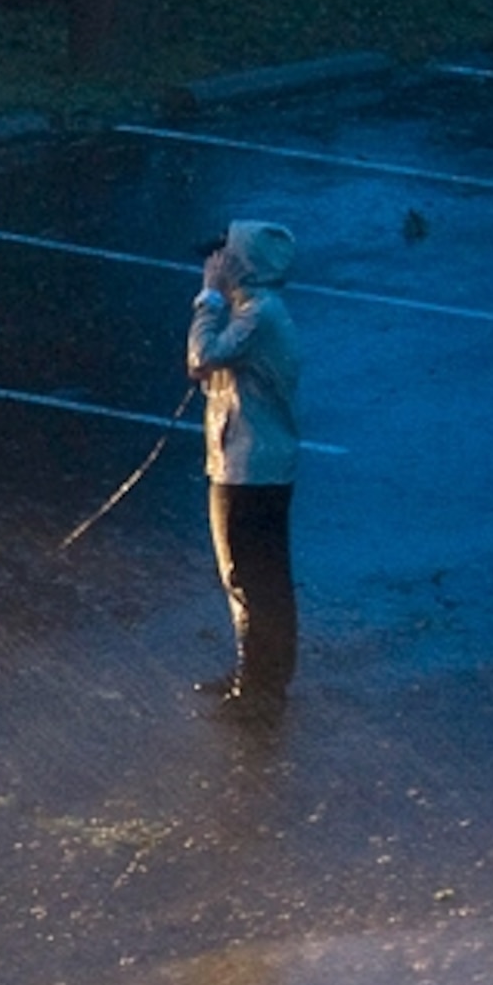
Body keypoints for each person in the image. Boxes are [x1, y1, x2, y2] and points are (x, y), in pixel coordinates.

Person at [187, 219, 302, 722]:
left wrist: (208, 298)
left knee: (252, 577)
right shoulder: (256, 312)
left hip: (250, 467)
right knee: (255, 577)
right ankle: (255, 675)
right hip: (249, 461)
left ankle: (261, 687)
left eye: (225, 259)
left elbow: (201, 357)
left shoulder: (258, 316)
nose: (216, 267)